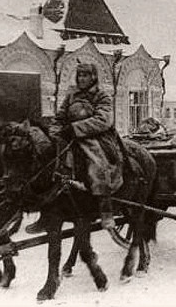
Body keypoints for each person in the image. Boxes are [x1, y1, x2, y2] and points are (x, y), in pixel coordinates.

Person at [26, 64, 124, 234]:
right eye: (79, 76)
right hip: (70, 136)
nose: (81, 79)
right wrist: (56, 131)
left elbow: (103, 121)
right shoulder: (71, 96)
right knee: (48, 164)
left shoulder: (102, 96)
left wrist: (75, 128)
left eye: (85, 76)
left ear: (93, 77)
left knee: (97, 166)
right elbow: (60, 117)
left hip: (96, 137)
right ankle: (46, 215)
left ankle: (106, 208)